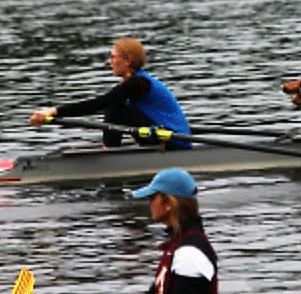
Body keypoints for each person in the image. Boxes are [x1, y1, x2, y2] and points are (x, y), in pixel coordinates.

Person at [29, 38, 191, 149]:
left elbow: (97, 104)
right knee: (113, 107)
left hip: (173, 140)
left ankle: (110, 155)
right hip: (160, 135)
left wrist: (53, 111)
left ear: (127, 61)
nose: (109, 62)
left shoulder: (138, 83)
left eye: (113, 57)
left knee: (114, 110)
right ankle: (111, 150)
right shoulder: (133, 82)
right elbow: (99, 104)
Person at [132, 167, 218, 294]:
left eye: (152, 197)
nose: (149, 203)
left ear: (170, 203)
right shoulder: (178, 244)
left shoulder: (190, 253)